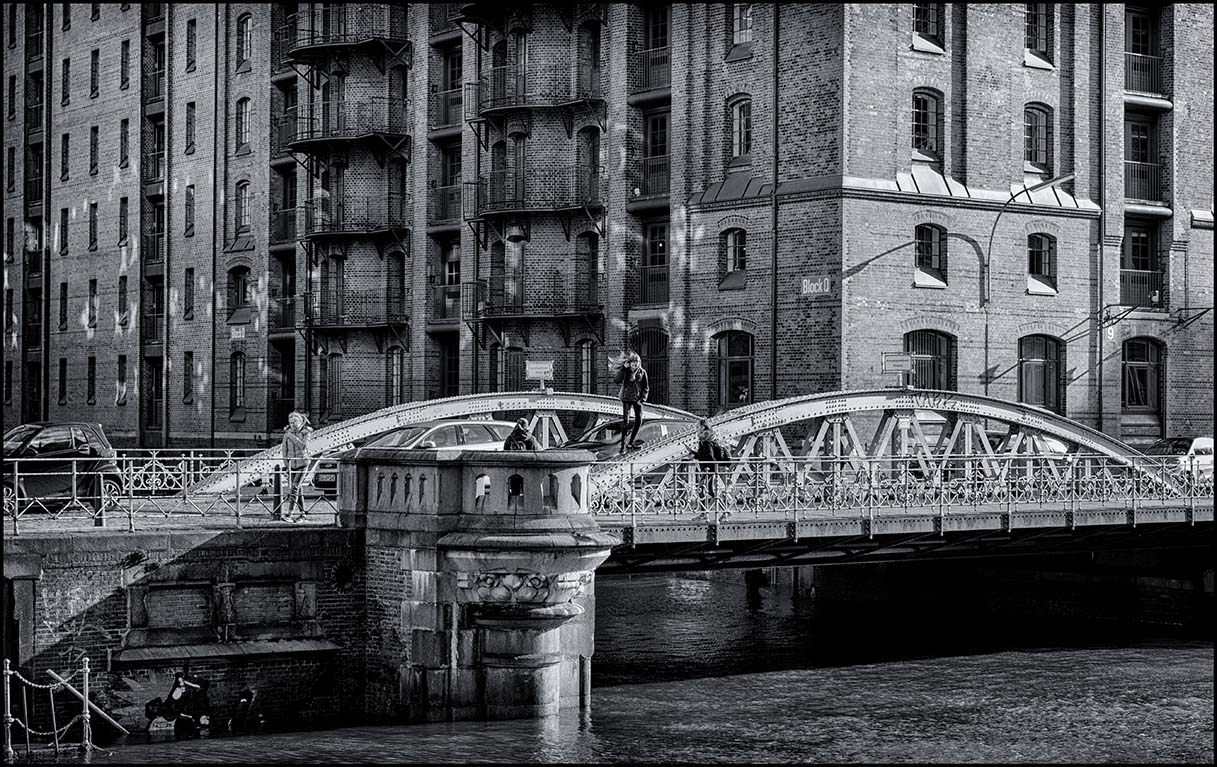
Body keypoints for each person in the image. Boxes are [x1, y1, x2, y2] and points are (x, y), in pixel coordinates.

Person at [610, 351, 650, 452]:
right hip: (627, 398)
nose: (635, 364)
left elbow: (646, 387)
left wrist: (642, 399)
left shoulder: (642, 372)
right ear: (630, 362)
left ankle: (631, 442)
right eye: (633, 362)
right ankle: (623, 445)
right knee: (626, 421)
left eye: (636, 362)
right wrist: (623, 368)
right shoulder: (626, 371)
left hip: (637, 399)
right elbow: (617, 380)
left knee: (639, 420)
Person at [280, 411, 313, 519]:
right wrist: (286, 464)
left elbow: (303, 446)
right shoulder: (287, 434)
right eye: (290, 423)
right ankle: (303, 513)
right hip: (291, 465)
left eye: (295, 422)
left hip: (302, 463)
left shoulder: (305, 433)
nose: (292, 425)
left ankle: (289, 513)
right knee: (298, 489)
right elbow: (284, 450)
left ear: (300, 422)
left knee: (294, 487)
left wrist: (291, 436)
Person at [692, 419, 731, 499]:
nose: (696, 428)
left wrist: (695, 455)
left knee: (702, 489)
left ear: (703, 427)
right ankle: (723, 506)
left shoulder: (706, 440)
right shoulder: (709, 437)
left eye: (697, 426)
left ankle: (723, 505)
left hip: (709, 468)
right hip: (711, 468)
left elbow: (709, 456)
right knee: (708, 490)